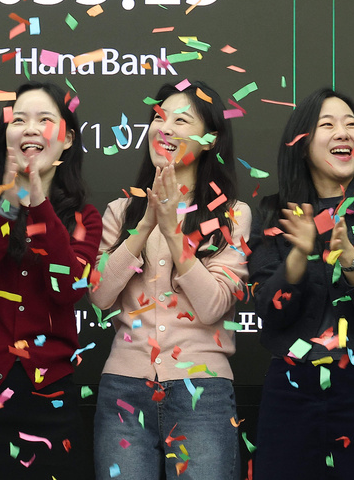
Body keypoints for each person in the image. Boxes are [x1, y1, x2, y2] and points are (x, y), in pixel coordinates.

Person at [248, 88, 354, 478]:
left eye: (352, 125)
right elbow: (269, 314)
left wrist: (353, 264)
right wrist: (297, 256)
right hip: (291, 387)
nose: (343, 133)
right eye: (327, 125)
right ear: (301, 142)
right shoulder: (274, 213)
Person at [90, 81, 250, 480]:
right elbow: (99, 295)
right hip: (123, 389)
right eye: (160, 118)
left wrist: (175, 236)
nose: (166, 128)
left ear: (210, 139)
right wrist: (144, 226)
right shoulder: (120, 211)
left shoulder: (233, 215)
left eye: (182, 120)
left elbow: (214, 305)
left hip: (203, 392)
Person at [0, 81, 103, 479]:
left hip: (51, 405)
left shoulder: (86, 218)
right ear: (5, 137)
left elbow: (68, 289)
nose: (30, 128)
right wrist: (8, 204)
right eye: (19, 120)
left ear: (66, 141)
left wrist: (40, 205)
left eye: (45, 119)